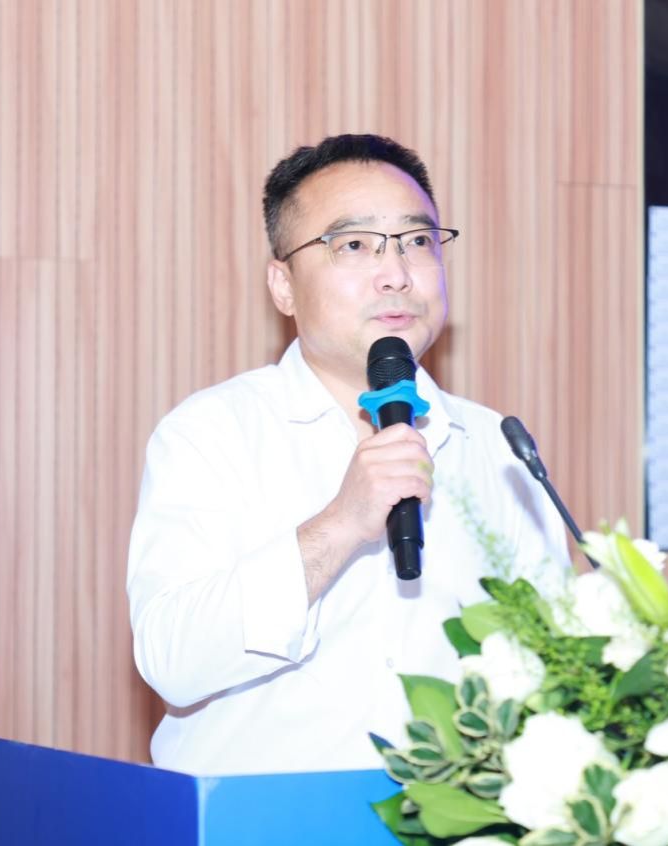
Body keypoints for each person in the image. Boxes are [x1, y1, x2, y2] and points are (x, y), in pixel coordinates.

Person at [126, 134, 571, 776]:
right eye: (355, 245)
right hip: (258, 818)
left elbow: (552, 669)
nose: (397, 273)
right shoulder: (211, 433)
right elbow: (172, 661)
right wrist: (339, 525)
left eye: (417, 241)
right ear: (283, 285)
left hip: (460, 817)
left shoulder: (498, 449)